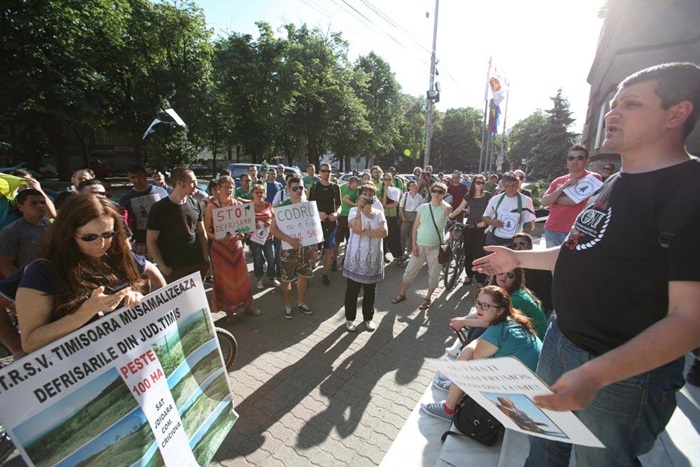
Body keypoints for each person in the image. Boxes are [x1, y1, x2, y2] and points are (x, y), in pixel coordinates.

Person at [473, 62, 700, 466]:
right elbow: (578, 250)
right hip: (562, 341)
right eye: (613, 105)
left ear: (677, 113)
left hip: (625, 373)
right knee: (543, 446)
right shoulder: (613, 182)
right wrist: (518, 257)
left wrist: (596, 375)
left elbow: (691, 320)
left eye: (631, 104)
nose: (613, 114)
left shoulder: (691, 192)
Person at [15, 194, 166, 352]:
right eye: (89, 237)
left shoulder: (117, 256)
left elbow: (150, 269)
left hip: (130, 354)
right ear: (68, 234)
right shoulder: (42, 270)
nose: (101, 243)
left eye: (108, 234)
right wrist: (87, 311)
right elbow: (30, 342)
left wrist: (138, 299)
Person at [421, 285, 541, 420]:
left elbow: (473, 360)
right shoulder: (511, 320)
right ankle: (455, 386)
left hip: (522, 400)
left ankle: (448, 409)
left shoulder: (498, 331)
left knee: (466, 359)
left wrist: (469, 347)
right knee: (472, 345)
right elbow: (484, 326)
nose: (479, 309)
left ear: (500, 310)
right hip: (532, 388)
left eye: (485, 306)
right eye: (478, 303)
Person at [391, 182, 452, 311]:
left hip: (436, 248)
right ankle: (402, 294)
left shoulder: (444, 208)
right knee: (409, 272)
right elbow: (415, 227)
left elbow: (448, 208)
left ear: (444, 194)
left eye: (440, 192)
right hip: (420, 246)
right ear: (430, 191)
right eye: (434, 191)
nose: (436, 194)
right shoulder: (423, 207)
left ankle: (427, 298)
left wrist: (439, 199)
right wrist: (413, 244)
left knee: (434, 275)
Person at [203, 176, 257, 316]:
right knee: (225, 280)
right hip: (220, 249)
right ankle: (229, 311)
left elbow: (244, 227)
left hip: (236, 247)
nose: (229, 190)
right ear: (218, 188)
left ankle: (247, 305)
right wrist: (217, 237)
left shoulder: (237, 204)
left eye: (231, 187)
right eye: (226, 187)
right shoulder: (211, 207)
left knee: (242, 278)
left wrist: (243, 234)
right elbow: (206, 231)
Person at [146, 167, 209, 284]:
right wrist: (163, 267)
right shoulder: (159, 209)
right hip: (173, 268)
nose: (196, 185)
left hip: (197, 263)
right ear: (179, 183)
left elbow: (201, 232)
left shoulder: (195, 203)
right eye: (192, 182)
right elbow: (151, 241)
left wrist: (206, 257)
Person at [343, 183, 387, 332]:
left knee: (370, 291)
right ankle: (350, 319)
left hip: (372, 259)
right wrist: (360, 210)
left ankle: (368, 318)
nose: (368, 197)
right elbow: (356, 228)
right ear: (360, 196)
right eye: (365, 194)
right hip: (356, 259)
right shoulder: (353, 211)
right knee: (352, 291)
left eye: (371, 195)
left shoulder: (379, 213)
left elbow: (384, 233)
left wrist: (364, 232)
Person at [541, 144, 602, 247]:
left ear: (587, 160)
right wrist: (563, 187)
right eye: (571, 158)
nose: (574, 161)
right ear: (567, 161)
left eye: (579, 158)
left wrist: (554, 198)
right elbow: (544, 202)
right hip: (551, 229)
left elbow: (572, 200)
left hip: (575, 231)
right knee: (552, 258)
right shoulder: (558, 181)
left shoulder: (593, 178)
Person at [271, 176, 314, 319]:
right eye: (295, 188)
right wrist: (289, 240)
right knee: (286, 278)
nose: (298, 190)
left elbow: (314, 229)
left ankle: (301, 303)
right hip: (288, 250)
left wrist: (315, 248)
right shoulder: (282, 207)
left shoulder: (308, 205)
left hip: (305, 249)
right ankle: (287, 305)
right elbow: (273, 230)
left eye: (300, 187)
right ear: (288, 190)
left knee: (303, 277)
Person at [448, 174, 492, 286]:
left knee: (479, 253)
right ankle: (469, 275)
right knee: (468, 252)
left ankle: (480, 278)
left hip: (482, 227)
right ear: (473, 183)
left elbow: (492, 211)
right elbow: (459, 209)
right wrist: (448, 217)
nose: (480, 184)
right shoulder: (468, 196)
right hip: (470, 226)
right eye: (478, 182)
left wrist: (485, 222)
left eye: (482, 182)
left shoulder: (487, 195)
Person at [119, 164, 169, 258]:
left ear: (145, 175)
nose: (137, 180)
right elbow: (123, 221)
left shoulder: (161, 192)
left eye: (139, 176)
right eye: (133, 177)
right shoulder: (126, 198)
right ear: (129, 178)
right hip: (140, 241)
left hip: (162, 239)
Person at [0, 189, 51, 278]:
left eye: (43, 202)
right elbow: (5, 265)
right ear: (20, 207)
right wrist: (22, 283)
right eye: (33, 203)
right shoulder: (11, 231)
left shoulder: (51, 226)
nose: (40, 206)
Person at [308, 163, 341, 286]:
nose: (326, 173)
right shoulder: (314, 187)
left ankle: (325, 274)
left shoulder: (335, 187)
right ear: (319, 172)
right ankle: (308, 273)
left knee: (329, 250)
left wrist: (337, 214)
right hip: (316, 224)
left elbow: (339, 205)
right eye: (324, 171)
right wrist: (318, 213)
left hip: (331, 224)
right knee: (314, 250)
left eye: (329, 171)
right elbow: (308, 205)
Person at [482, 171, 536, 246]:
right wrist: (493, 222)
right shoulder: (495, 199)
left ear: (518, 184)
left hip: (514, 241)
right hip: (495, 239)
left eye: (514, 185)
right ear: (503, 185)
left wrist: (524, 242)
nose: (511, 188)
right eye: (508, 186)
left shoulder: (526, 200)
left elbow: (528, 223)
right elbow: (485, 217)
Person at [492, 269, 548, 338]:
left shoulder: (517, 298)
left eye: (510, 275)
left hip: (535, 341)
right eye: (501, 272)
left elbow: (492, 321)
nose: (504, 276)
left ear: (516, 279)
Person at [510, 233, 553, 316]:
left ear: (530, 245)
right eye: (515, 245)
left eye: (522, 244)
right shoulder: (512, 265)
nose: (518, 247)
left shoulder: (540, 265)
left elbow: (546, 291)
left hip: (537, 307)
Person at [251, 182, 278, 289]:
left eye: (261, 192)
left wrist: (270, 222)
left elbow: (275, 218)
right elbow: (245, 222)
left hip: (268, 237)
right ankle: (259, 279)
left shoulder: (268, 205)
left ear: (265, 194)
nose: (259, 194)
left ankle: (272, 278)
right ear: (253, 194)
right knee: (257, 259)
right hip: (255, 238)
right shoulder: (248, 207)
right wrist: (253, 224)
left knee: (271, 258)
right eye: (257, 192)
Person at [333, 175, 359, 270]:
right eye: (354, 186)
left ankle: (345, 259)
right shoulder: (341, 188)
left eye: (356, 186)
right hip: (341, 216)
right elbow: (342, 200)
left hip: (350, 217)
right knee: (337, 241)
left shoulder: (355, 191)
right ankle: (334, 261)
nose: (355, 188)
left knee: (349, 240)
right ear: (350, 183)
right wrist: (355, 204)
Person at [378, 172, 403, 266]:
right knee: (383, 239)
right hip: (383, 217)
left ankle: (399, 257)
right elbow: (383, 204)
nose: (387, 181)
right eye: (385, 179)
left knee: (395, 238)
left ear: (392, 180)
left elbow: (395, 204)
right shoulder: (379, 191)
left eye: (389, 179)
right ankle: (383, 257)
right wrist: (385, 191)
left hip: (392, 217)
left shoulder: (395, 190)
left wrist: (386, 206)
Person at [399, 180, 425, 264]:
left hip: (415, 215)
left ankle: (409, 251)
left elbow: (422, 208)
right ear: (409, 187)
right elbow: (401, 207)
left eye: (415, 185)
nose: (415, 187)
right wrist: (403, 216)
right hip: (406, 214)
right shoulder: (406, 195)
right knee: (403, 234)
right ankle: (401, 252)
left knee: (412, 234)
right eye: (413, 185)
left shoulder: (419, 196)